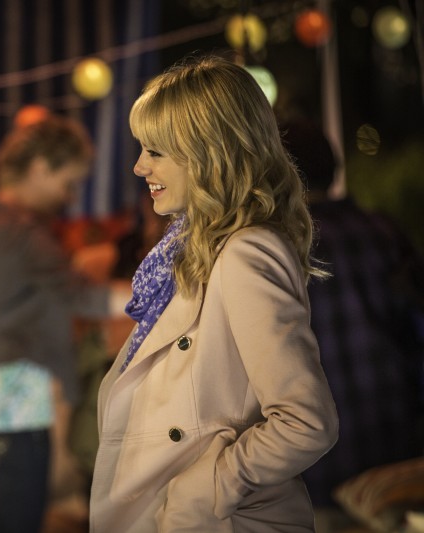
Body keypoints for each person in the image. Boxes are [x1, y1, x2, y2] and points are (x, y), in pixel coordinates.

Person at [89, 55, 339, 532]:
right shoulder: (191, 248)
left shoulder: (245, 252)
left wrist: (203, 490)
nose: (139, 167)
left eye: (156, 151)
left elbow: (306, 421)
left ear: (210, 152)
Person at [0, 115, 110, 533]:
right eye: (69, 182)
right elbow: (88, 296)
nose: (70, 197)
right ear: (40, 168)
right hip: (9, 415)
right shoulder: (24, 234)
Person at [281, 118, 424, 508]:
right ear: (334, 167)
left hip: (312, 471)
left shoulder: (273, 248)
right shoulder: (383, 233)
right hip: (393, 460)